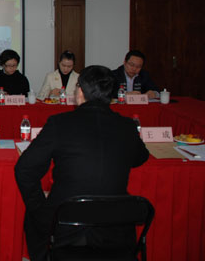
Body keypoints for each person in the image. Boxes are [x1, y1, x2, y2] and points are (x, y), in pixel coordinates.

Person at [14, 65, 150, 261]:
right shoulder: (128, 126)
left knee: (32, 216)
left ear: (80, 92)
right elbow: (141, 157)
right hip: (116, 227)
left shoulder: (59, 123)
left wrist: (40, 206)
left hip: (65, 226)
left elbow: (24, 169)